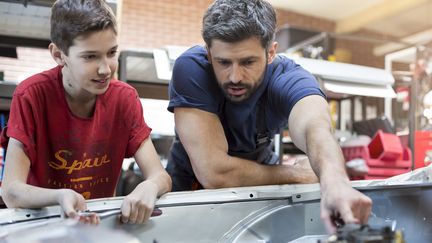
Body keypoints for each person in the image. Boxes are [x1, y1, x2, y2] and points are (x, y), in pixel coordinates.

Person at [166, 0, 371, 233]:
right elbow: (214, 173)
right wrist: (298, 175)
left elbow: (315, 127)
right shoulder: (192, 68)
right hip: (188, 196)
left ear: (271, 52)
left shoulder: (289, 78)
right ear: (208, 53)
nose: (234, 76)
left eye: (248, 62)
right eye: (223, 62)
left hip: (257, 194)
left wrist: (335, 182)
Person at [0, 0, 171, 224]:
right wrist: (59, 196)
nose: (105, 68)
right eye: (90, 56)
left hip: (98, 227)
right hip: (42, 226)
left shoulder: (125, 99)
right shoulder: (31, 95)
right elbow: (11, 191)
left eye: (111, 53)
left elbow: (161, 176)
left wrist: (150, 186)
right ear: (59, 55)